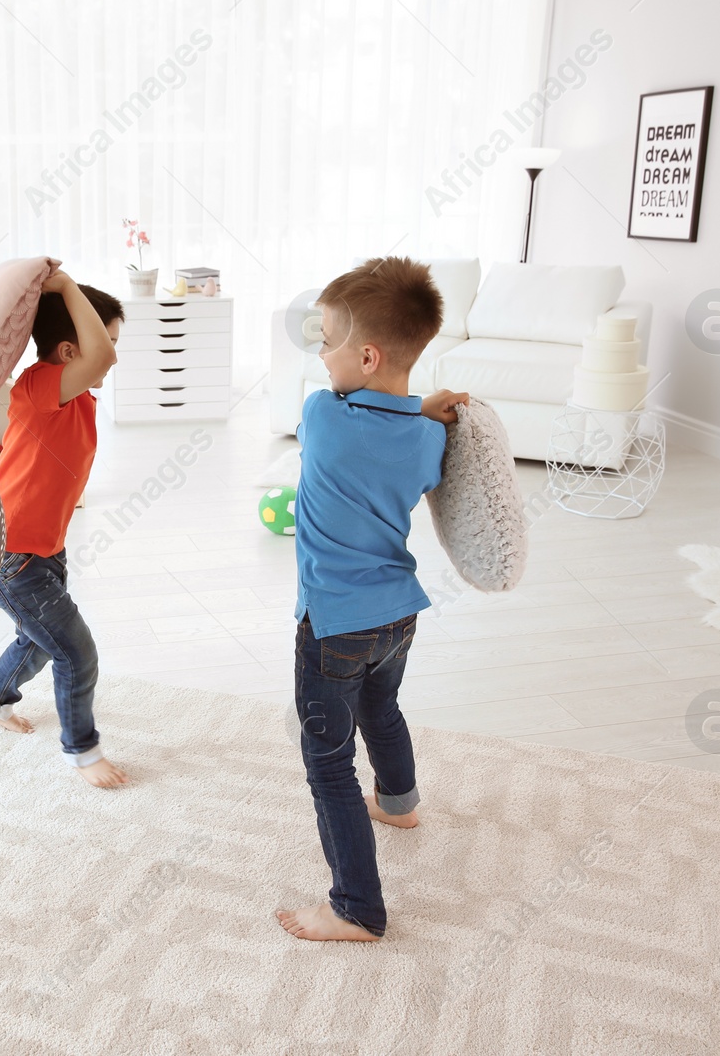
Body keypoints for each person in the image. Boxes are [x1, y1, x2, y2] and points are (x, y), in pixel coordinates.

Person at [274, 257, 467, 942]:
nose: (320, 355)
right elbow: (400, 415)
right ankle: (400, 801)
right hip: (399, 612)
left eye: (326, 340)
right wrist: (424, 405)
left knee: (328, 762)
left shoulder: (321, 415)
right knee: (380, 705)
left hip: (333, 623)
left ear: (365, 353)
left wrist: (419, 402)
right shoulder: (431, 435)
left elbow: (350, 406)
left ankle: (356, 905)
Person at [0, 272, 130, 788]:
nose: (112, 354)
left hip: (42, 550)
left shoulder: (73, 394)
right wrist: (64, 288)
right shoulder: (42, 385)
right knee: (76, 652)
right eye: (108, 339)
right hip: (12, 555)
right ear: (69, 350)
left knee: (39, 640)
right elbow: (99, 357)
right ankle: (82, 752)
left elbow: (98, 357)